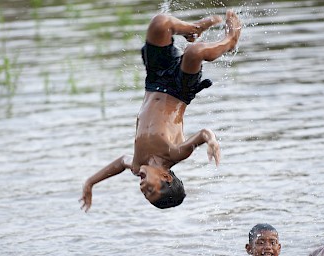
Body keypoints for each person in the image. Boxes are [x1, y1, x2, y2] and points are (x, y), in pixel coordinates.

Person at [79, 10, 242, 211]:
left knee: (160, 23)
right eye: (151, 191)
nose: (143, 189)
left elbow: (121, 162)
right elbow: (201, 134)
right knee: (195, 52)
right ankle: (229, 40)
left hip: (154, 81)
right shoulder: (174, 154)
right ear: (166, 177)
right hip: (180, 90)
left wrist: (91, 182)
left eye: (145, 195)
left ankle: (193, 31)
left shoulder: (138, 165)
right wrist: (212, 141)